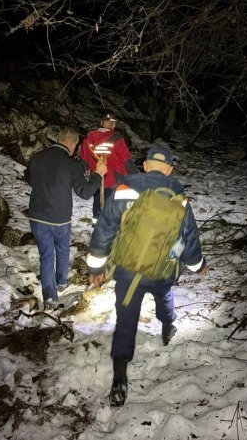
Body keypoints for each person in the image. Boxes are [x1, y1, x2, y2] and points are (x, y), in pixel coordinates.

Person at [86, 143, 207, 407]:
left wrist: (96, 266)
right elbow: (189, 240)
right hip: (161, 270)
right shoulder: (181, 199)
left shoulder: (125, 189)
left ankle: (119, 376)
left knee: (126, 320)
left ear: (145, 165)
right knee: (164, 298)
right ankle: (167, 326)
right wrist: (198, 265)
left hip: (128, 271)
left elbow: (105, 228)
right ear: (171, 170)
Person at [25, 127, 107, 311]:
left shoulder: (37, 158)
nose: (76, 148)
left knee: (46, 256)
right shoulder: (71, 165)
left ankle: (50, 297)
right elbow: (85, 193)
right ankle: (61, 282)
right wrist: (98, 174)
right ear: (71, 143)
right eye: (76, 145)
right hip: (60, 218)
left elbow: (29, 178)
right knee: (61, 250)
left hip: (37, 216)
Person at [79, 112, 137, 220]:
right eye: (111, 123)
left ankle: (97, 224)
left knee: (98, 202)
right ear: (113, 125)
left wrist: (86, 168)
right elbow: (126, 159)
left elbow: (83, 157)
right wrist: (136, 174)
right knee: (113, 206)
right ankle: (109, 226)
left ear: (101, 123)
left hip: (96, 178)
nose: (111, 125)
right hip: (114, 180)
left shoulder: (89, 137)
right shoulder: (116, 137)